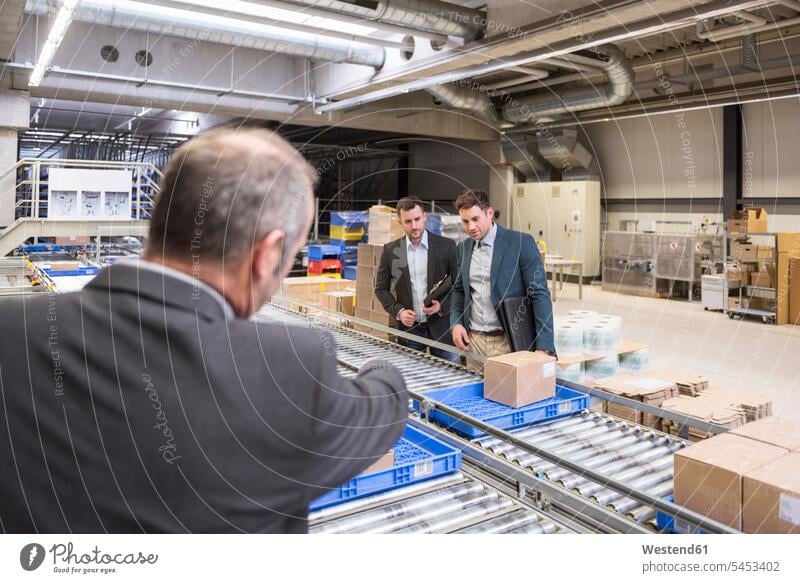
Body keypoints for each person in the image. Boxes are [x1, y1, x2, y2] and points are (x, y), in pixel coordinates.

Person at [0, 128, 408, 533]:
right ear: (266, 256)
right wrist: (379, 367)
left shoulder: (11, 332)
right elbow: (383, 408)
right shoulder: (287, 373)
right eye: (291, 254)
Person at [450, 189, 556, 371]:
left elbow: (539, 294)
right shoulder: (464, 248)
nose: (470, 227)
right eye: (465, 221)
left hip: (507, 344)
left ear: (489, 213)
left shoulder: (521, 243)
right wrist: (456, 323)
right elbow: (459, 290)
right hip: (473, 342)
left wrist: (544, 347)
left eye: (475, 219)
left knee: (508, 398)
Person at [374, 196, 459, 363]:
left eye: (417, 219)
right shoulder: (391, 251)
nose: (414, 226)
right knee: (411, 381)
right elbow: (381, 289)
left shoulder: (447, 246)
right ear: (400, 222)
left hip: (443, 328)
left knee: (449, 380)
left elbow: (458, 284)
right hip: (410, 331)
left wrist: (442, 306)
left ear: (425, 216)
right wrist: (399, 312)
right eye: (408, 221)